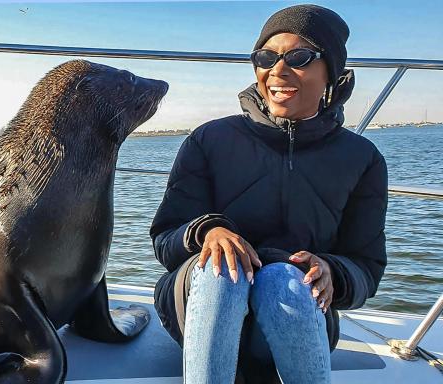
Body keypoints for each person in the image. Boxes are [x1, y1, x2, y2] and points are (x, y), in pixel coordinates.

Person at [150, 4, 388, 384]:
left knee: (284, 280)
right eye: (265, 57)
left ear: (332, 71)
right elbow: (165, 240)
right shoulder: (209, 139)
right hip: (200, 305)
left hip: (300, 312)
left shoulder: (362, 160)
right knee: (222, 271)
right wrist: (207, 232)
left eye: (298, 57)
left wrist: (333, 271)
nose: (277, 70)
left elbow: (366, 266)